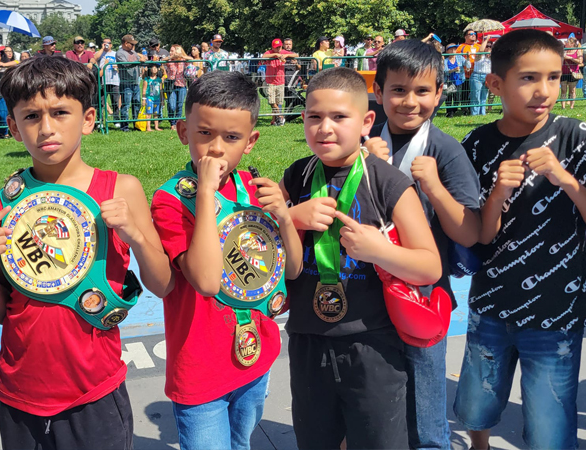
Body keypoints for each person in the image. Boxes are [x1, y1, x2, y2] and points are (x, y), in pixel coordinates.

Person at [0, 55, 171, 450]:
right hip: (19, 389)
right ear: (13, 126)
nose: (46, 128)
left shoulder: (121, 189)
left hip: (94, 389)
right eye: (32, 116)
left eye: (60, 112)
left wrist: (135, 235)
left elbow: (163, 284)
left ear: (88, 119)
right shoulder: (0, 204)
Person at [282, 67, 441, 450]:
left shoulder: (387, 182)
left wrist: (379, 251)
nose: (325, 128)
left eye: (339, 117)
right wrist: (290, 217)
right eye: (314, 117)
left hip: (373, 346)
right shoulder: (298, 175)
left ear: (366, 121)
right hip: (308, 341)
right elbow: (269, 244)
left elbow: (430, 266)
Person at [150, 70, 302, 450]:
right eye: (205, 133)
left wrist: (285, 218)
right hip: (200, 369)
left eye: (231, 137)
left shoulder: (254, 189)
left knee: (241, 443)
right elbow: (206, 281)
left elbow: (291, 270)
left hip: (255, 357)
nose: (216, 149)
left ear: (250, 142)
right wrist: (205, 193)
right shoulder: (171, 200)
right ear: (183, 132)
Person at [455, 29, 586, 450]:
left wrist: (564, 178)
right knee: (477, 401)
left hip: (557, 307)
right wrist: (496, 194)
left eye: (554, 77)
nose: (544, 90)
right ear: (495, 84)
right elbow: (480, 234)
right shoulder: (477, 144)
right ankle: (478, 445)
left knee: (550, 422)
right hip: (492, 300)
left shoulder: (577, 137)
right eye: (529, 78)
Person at [366, 39, 481, 450]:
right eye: (398, 90)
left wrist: (433, 187)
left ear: (439, 93)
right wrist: (362, 163)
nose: (410, 101)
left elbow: (470, 233)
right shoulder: (362, 139)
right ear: (378, 91)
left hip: (425, 296)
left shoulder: (444, 150)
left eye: (422, 91)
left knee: (426, 399)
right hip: (366, 291)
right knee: (375, 394)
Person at [116, 34, 148, 132]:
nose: (133, 46)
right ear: (126, 43)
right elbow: (126, 64)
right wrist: (138, 61)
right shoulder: (120, 53)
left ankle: (136, 125)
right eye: (132, 44)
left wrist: (144, 60)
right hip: (126, 83)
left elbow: (140, 61)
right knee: (126, 105)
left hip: (135, 83)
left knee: (136, 103)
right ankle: (124, 126)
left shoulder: (133, 52)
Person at [263, 38, 298, 126]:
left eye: (279, 47)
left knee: (278, 102)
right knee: (272, 102)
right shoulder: (269, 52)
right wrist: (275, 55)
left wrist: (286, 55)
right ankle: (281, 116)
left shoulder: (283, 52)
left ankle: (274, 121)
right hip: (270, 82)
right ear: (272, 47)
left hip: (280, 81)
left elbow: (296, 55)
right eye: (276, 47)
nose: (278, 49)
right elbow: (263, 56)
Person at [96, 37, 121, 126]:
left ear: (111, 45)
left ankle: (116, 120)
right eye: (104, 43)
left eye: (108, 43)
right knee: (101, 103)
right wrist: (102, 49)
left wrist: (117, 67)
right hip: (103, 81)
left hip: (114, 81)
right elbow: (94, 58)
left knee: (115, 102)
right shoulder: (99, 53)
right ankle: (100, 121)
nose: (107, 44)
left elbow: (120, 66)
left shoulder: (115, 54)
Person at [166, 44, 189, 130]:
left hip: (181, 85)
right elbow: (162, 60)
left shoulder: (183, 60)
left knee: (179, 105)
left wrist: (181, 56)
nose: (170, 52)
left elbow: (191, 59)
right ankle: (172, 122)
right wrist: (171, 57)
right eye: (170, 51)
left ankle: (176, 123)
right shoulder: (169, 60)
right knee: (172, 105)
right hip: (171, 85)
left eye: (172, 51)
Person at [455, 30, 478, 115]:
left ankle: (473, 108)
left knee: (475, 92)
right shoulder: (461, 47)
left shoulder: (479, 46)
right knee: (465, 92)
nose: (473, 35)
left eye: (474, 34)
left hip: (476, 74)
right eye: (471, 34)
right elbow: (457, 58)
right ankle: (465, 109)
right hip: (465, 74)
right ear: (465, 37)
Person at [470, 36, 494, 116]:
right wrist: (486, 40)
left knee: (484, 97)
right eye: (487, 46)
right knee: (476, 97)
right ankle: (475, 114)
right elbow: (481, 50)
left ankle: (482, 114)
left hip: (487, 77)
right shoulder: (479, 56)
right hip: (477, 76)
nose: (488, 48)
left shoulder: (492, 57)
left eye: (490, 46)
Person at [561, 34, 582, 110]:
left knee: (572, 91)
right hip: (563, 73)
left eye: (567, 42)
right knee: (563, 90)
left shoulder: (577, 51)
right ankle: (563, 107)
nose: (565, 43)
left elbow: (580, 61)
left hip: (573, 73)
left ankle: (571, 107)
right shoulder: (563, 50)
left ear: (572, 44)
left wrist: (570, 58)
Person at [444, 44, 465, 117]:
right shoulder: (445, 60)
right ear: (447, 51)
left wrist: (468, 58)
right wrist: (453, 70)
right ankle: (449, 112)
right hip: (448, 81)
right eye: (451, 49)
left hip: (458, 80)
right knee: (448, 98)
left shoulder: (460, 58)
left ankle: (454, 109)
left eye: (454, 49)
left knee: (457, 98)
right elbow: (445, 71)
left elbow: (468, 65)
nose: (453, 51)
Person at [142, 64, 163, 131]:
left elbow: (161, 90)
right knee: (149, 113)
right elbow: (144, 89)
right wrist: (144, 99)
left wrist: (162, 99)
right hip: (149, 98)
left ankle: (156, 127)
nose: (154, 69)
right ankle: (148, 127)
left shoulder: (159, 80)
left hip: (157, 98)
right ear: (150, 70)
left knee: (156, 113)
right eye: (153, 68)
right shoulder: (147, 79)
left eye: (155, 68)